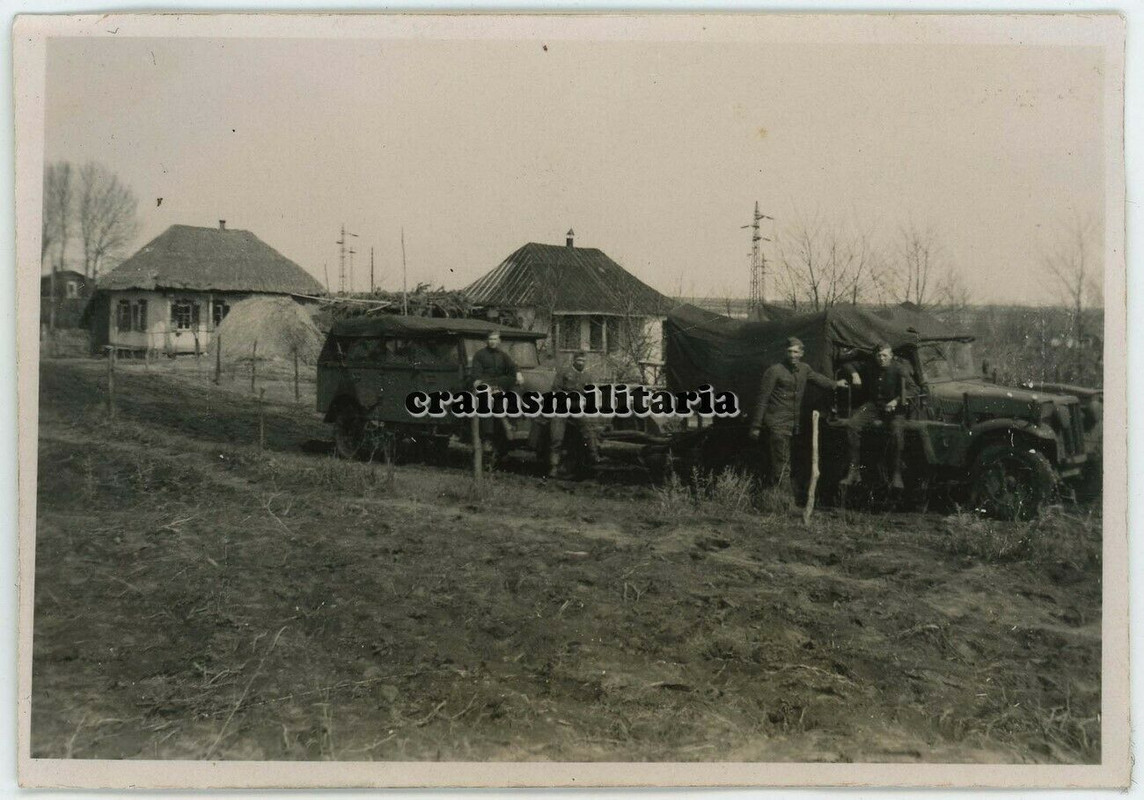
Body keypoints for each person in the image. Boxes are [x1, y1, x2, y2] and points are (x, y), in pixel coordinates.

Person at [748, 337, 849, 487]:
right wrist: (756, 426)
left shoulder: (804, 369)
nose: (792, 355)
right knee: (782, 462)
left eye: (795, 352)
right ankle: (783, 501)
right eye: (789, 351)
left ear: (801, 353)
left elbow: (818, 379)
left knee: (785, 461)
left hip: (793, 424)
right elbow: (762, 399)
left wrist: (835, 384)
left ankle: (777, 495)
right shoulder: (775, 371)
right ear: (785, 352)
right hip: (777, 422)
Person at [838, 341, 918, 490]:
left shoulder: (899, 369)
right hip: (874, 406)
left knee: (896, 431)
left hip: (895, 409)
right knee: (852, 424)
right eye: (879, 355)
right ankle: (854, 470)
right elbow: (846, 363)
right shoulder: (871, 366)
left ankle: (897, 474)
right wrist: (855, 375)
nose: (881, 358)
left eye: (885, 355)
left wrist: (896, 401)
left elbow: (913, 389)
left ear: (891, 356)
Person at [546, 350, 601, 477]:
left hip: (577, 408)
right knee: (557, 437)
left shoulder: (587, 376)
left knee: (588, 428)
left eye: (583, 361)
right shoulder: (564, 373)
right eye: (579, 360)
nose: (581, 363)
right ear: (574, 361)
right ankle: (553, 466)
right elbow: (555, 388)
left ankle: (594, 455)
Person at [470, 331, 519, 463]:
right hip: (486, 387)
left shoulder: (503, 355)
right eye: (490, 339)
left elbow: (512, 368)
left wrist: (518, 373)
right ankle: (488, 437)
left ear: (499, 341)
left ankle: (511, 425)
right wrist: (486, 382)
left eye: (495, 339)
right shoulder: (480, 355)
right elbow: (477, 374)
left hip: (499, 386)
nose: (492, 341)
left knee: (514, 394)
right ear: (487, 341)